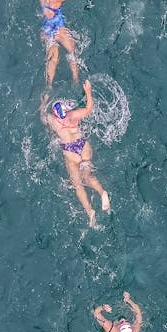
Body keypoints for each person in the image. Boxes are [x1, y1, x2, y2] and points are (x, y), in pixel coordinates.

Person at [42, 87, 110, 228]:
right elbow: (89, 108)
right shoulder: (72, 116)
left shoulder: (53, 121)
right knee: (86, 174)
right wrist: (88, 91)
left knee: (77, 184)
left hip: (69, 153)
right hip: (82, 146)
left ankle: (90, 212)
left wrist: (44, 102)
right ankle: (102, 192)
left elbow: (43, 116)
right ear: (65, 110)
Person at [35, 0, 79, 86]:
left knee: (53, 58)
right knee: (72, 52)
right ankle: (75, 79)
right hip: (58, 29)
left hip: (46, 29)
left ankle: (49, 84)